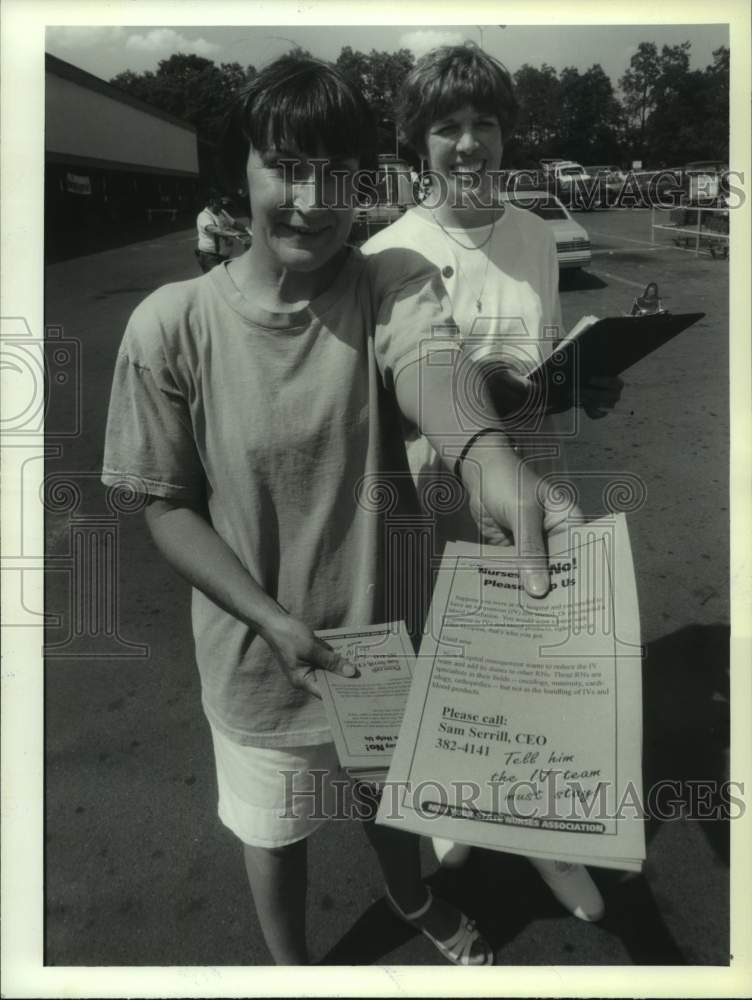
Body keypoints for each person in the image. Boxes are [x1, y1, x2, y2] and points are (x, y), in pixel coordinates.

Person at [101, 54, 570, 966]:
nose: (313, 197)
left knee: (389, 799)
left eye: (339, 172)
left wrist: (493, 460)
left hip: (381, 639)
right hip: (257, 662)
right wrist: (271, 619)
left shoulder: (389, 281)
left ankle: (411, 901)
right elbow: (166, 508)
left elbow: (437, 377)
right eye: (285, 163)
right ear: (238, 171)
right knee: (275, 835)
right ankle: (292, 971)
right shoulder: (170, 324)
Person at [362, 43, 622, 923]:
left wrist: (589, 380)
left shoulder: (534, 234)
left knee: (544, 664)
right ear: (417, 143)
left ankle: (550, 842)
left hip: (539, 470)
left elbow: (543, 354)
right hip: (442, 495)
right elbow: (388, 401)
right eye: (448, 128)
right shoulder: (388, 253)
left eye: (485, 124)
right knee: (460, 667)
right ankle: (460, 804)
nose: (470, 144)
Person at [195, 191, 249, 272]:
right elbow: (215, 230)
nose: (222, 204)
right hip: (210, 257)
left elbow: (234, 224)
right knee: (218, 281)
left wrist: (248, 230)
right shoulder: (203, 216)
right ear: (212, 202)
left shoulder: (222, 212)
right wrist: (234, 234)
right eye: (219, 201)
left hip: (223, 256)